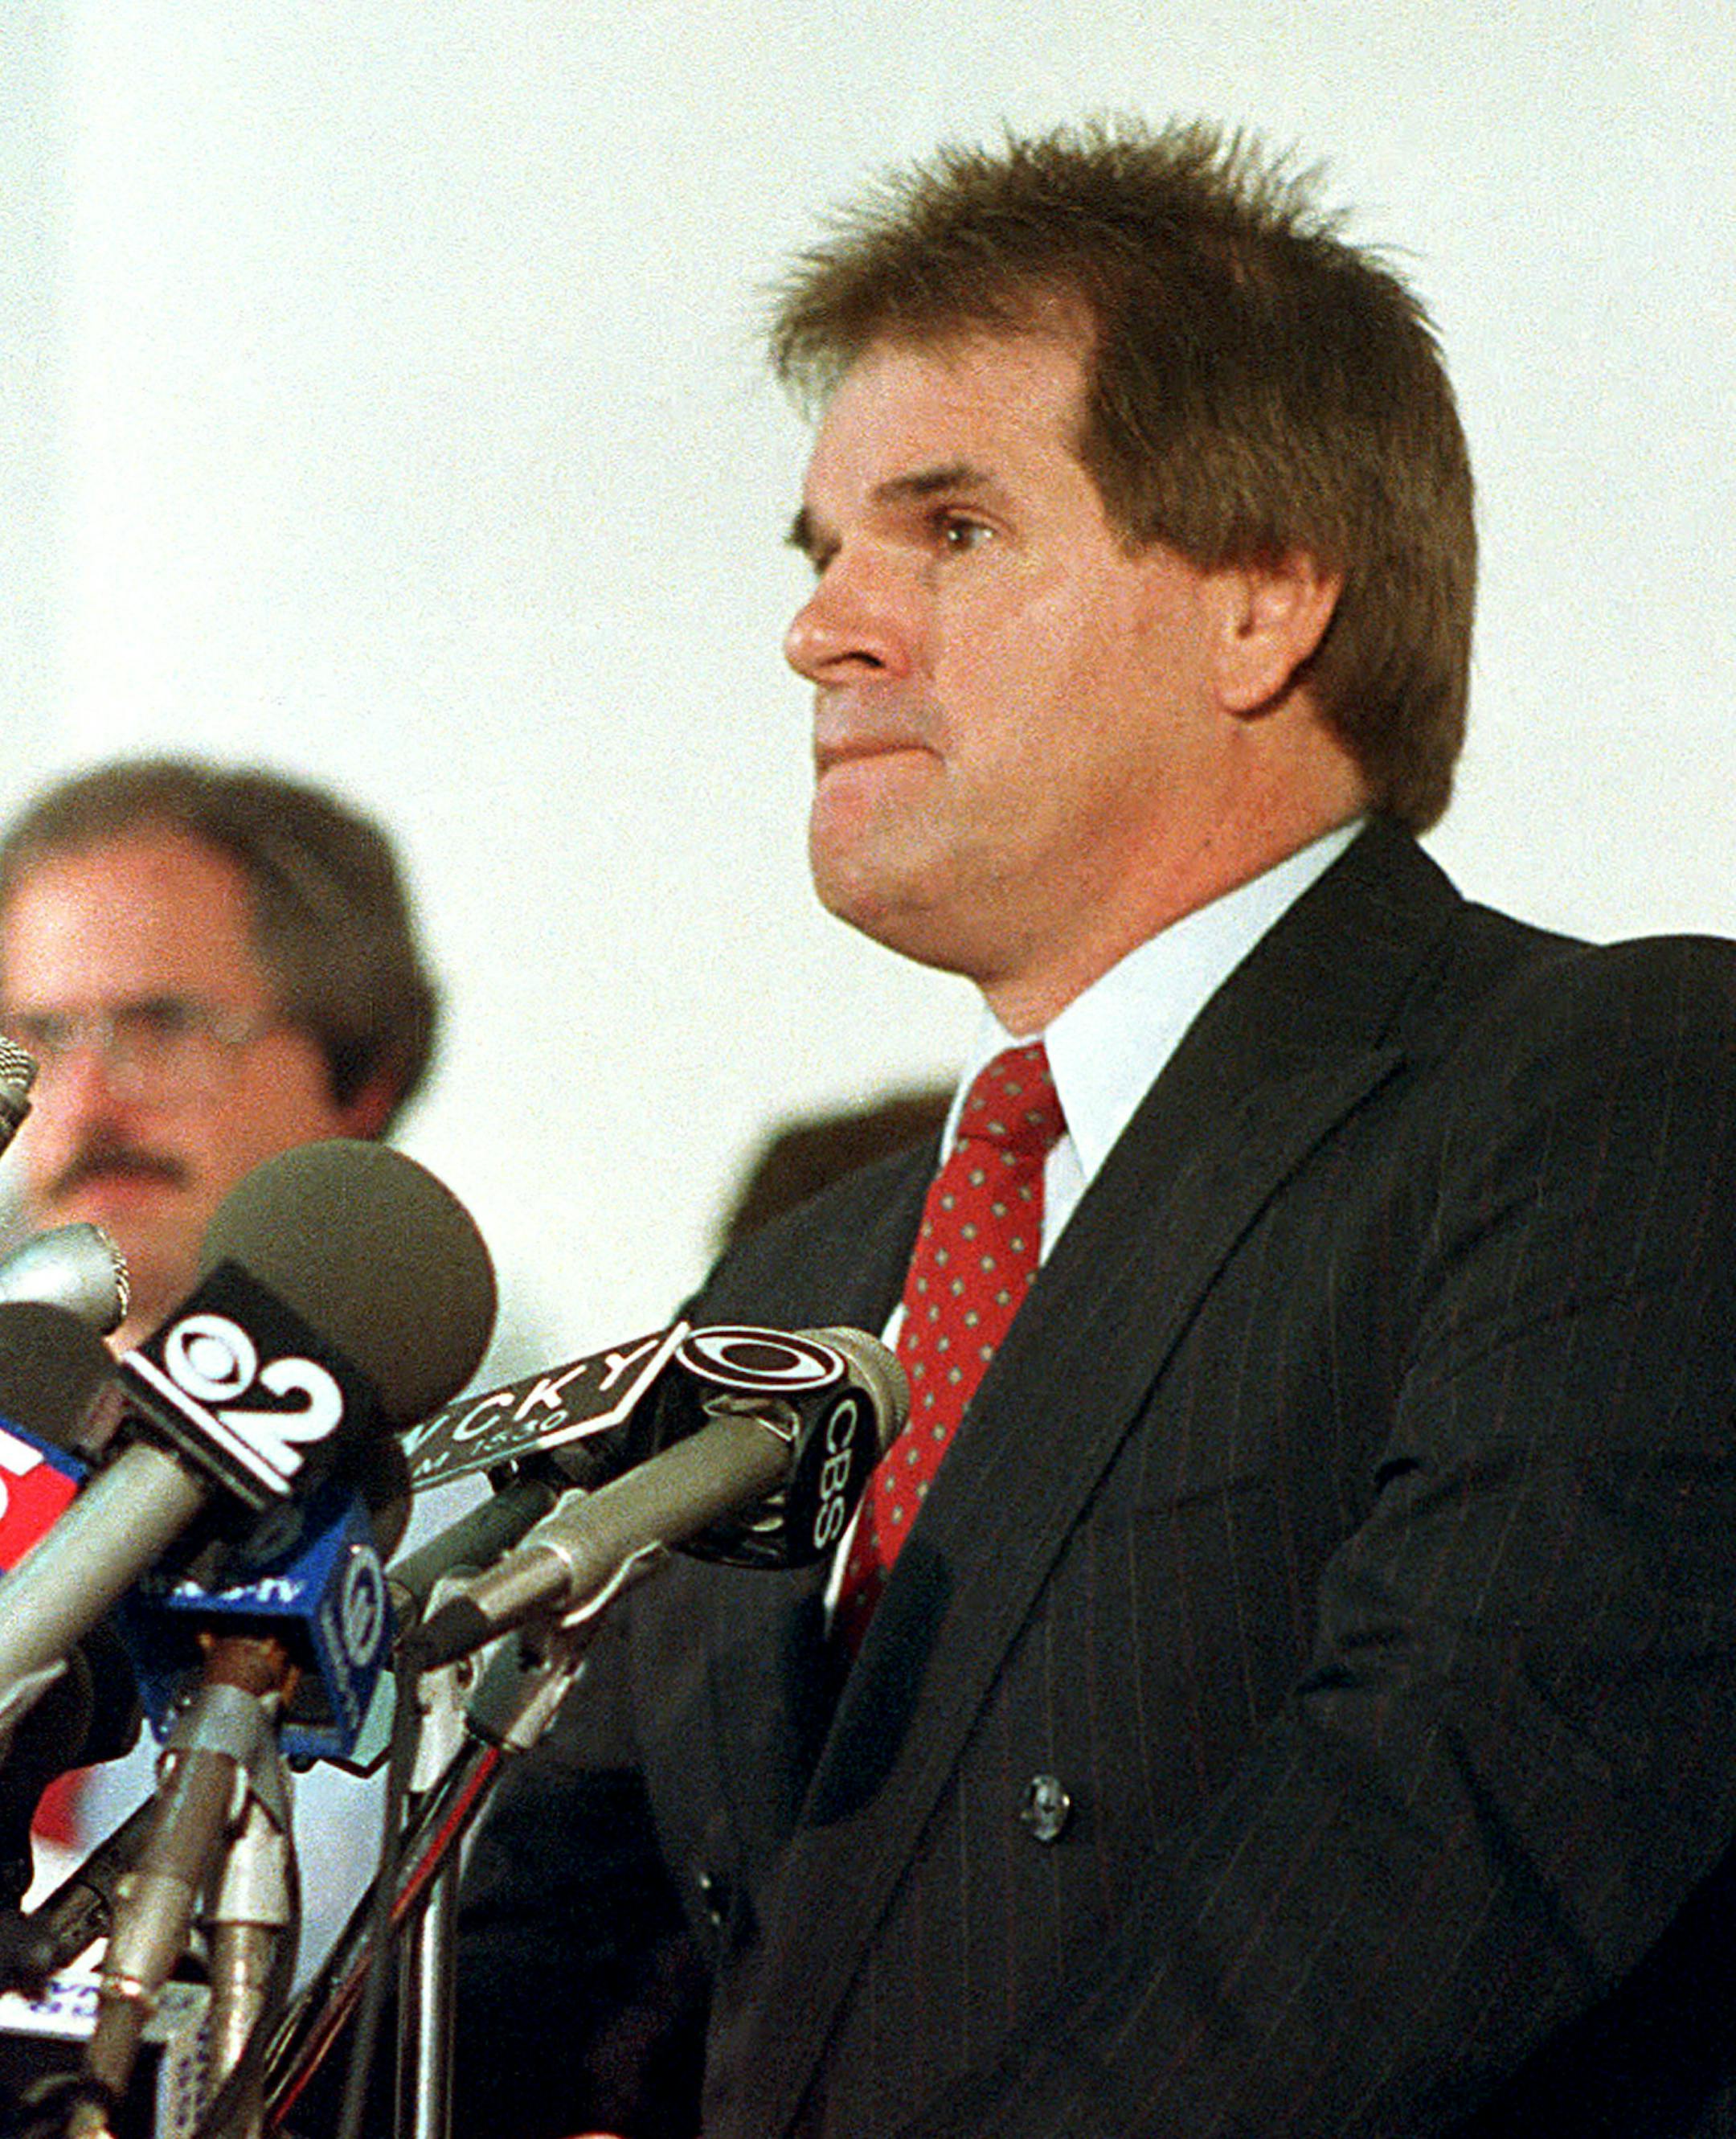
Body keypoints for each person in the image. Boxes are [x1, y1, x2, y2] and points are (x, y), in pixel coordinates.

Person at [450, 119, 1736, 2138]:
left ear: (1265, 606)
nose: (828, 628)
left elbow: (1443, 1835)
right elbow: (544, 1951)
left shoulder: (1612, 1087)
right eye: (825, 552)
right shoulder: (798, 1289)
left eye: (950, 531)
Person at [0, 755, 440, 1957]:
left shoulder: (468, 1515)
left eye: (161, 1030)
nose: (82, 1107)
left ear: (363, 1071)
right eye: (37, 1036)